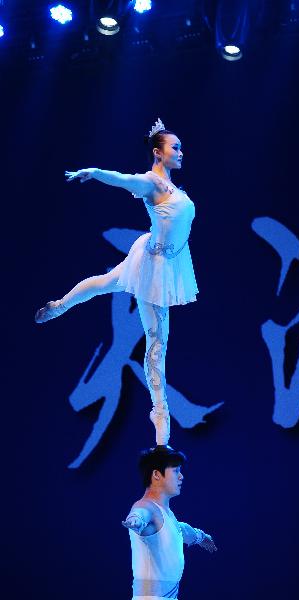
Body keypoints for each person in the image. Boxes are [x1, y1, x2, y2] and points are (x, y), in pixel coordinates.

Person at [34, 119, 198, 447]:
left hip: (165, 261)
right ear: (158, 153)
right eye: (174, 147)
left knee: (111, 285)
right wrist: (94, 172)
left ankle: (62, 305)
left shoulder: (172, 187)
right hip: (153, 266)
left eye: (180, 146)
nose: (181, 151)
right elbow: (123, 180)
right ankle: (160, 412)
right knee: (156, 342)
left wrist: (160, 131)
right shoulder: (151, 182)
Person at [122, 446, 216, 600]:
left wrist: (201, 536)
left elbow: (182, 530)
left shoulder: (167, 516)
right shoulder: (146, 506)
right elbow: (140, 513)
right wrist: (136, 520)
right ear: (157, 475)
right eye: (176, 471)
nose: (181, 477)